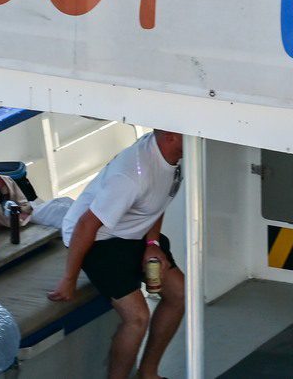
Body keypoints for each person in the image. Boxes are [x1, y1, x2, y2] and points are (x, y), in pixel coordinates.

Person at [43, 129, 187, 379]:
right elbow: (86, 225)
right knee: (137, 318)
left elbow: (157, 203)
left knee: (180, 294)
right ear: (171, 136)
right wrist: (69, 279)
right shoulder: (132, 175)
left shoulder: (175, 158)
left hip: (135, 233)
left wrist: (152, 243)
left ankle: (148, 373)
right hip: (98, 241)